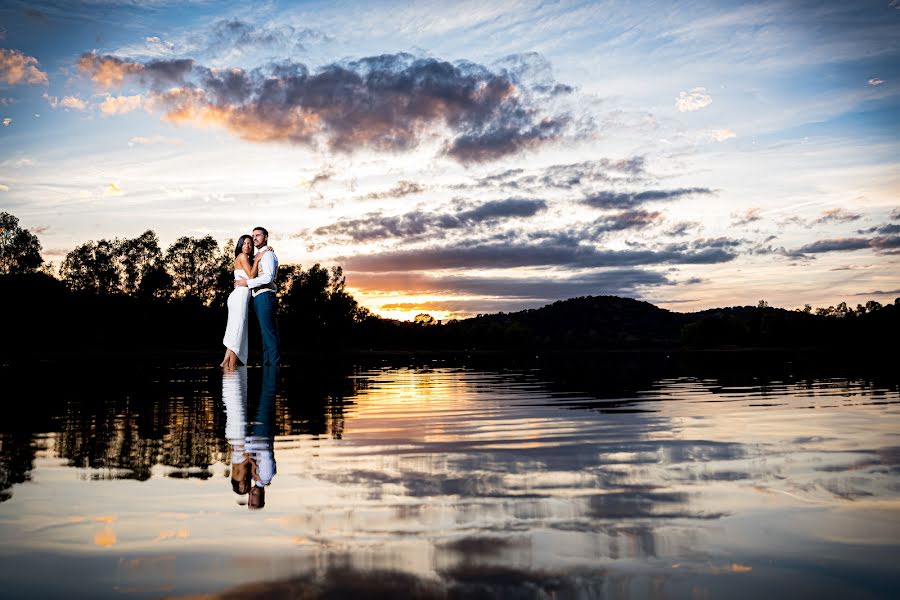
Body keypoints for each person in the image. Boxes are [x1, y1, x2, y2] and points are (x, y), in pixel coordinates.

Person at [220, 234, 272, 369]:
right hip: (239, 297)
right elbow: (251, 276)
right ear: (240, 245)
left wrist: (261, 255)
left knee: (238, 329)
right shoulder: (243, 257)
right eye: (245, 243)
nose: (248, 246)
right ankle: (229, 366)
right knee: (238, 330)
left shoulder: (247, 259)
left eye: (250, 244)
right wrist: (257, 260)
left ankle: (228, 365)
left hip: (242, 296)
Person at [234, 226, 280, 366]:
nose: (254, 238)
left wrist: (247, 282)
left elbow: (268, 278)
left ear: (265, 237)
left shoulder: (267, 254)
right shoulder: (257, 256)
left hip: (265, 295)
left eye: (258, 235)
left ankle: (273, 368)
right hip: (258, 297)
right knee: (265, 336)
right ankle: (268, 370)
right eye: (253, 235)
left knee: (269, 335)